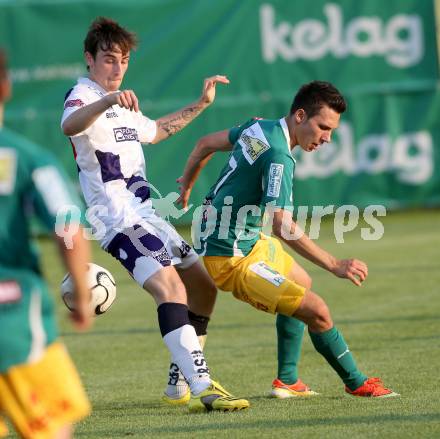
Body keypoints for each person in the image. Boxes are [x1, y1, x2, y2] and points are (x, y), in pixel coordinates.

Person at [61, 17, 249, 412]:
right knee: (171, 289)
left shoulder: (124, 106)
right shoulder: (83, 95)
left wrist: (201, 105)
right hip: (117, 220)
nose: (116, 68)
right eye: (109, 59)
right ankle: (203, 385)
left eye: (123, 61)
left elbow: (158, 130)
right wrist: (108, 100)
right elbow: (69, 126)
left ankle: (177, 382)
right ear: (89, 59)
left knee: (203, 288)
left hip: (146, 215)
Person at [176, 81, 399, 398]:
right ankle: (357, 382)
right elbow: (282, 224)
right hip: (231, 257)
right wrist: (334, 263)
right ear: (299, 115)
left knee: (302, 282)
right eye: (323, 127)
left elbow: (203, 144)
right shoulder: (280, 156)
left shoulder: (259, 128)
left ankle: (287, 381)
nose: (326, 138)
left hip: (244, 239)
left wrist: (186, 184)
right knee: (318, 311)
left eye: (332, 131)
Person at [0, 49, 93, 439]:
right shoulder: (26, 158)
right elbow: (68, 227)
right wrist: (83, 296)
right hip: (12, 317)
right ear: (5, 87)